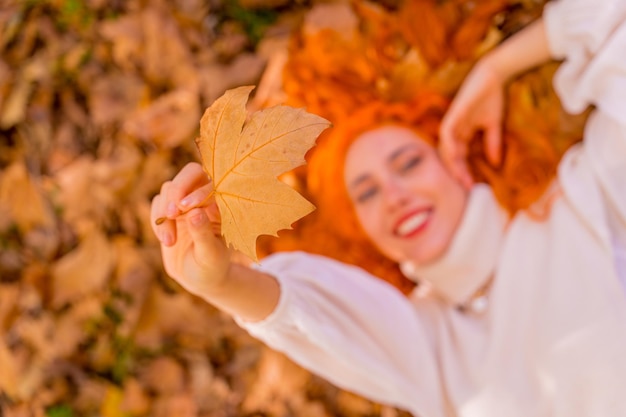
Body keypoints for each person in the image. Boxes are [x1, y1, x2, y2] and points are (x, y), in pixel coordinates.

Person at [150, 0, 626, 415]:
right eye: (367, 193)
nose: (394, 195)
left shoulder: (582, 198)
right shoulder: (428, 342)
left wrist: (497, 68)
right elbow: (312, 314)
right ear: (362, 233)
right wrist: (224, 284)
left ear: (457, 159)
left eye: (409, 162)